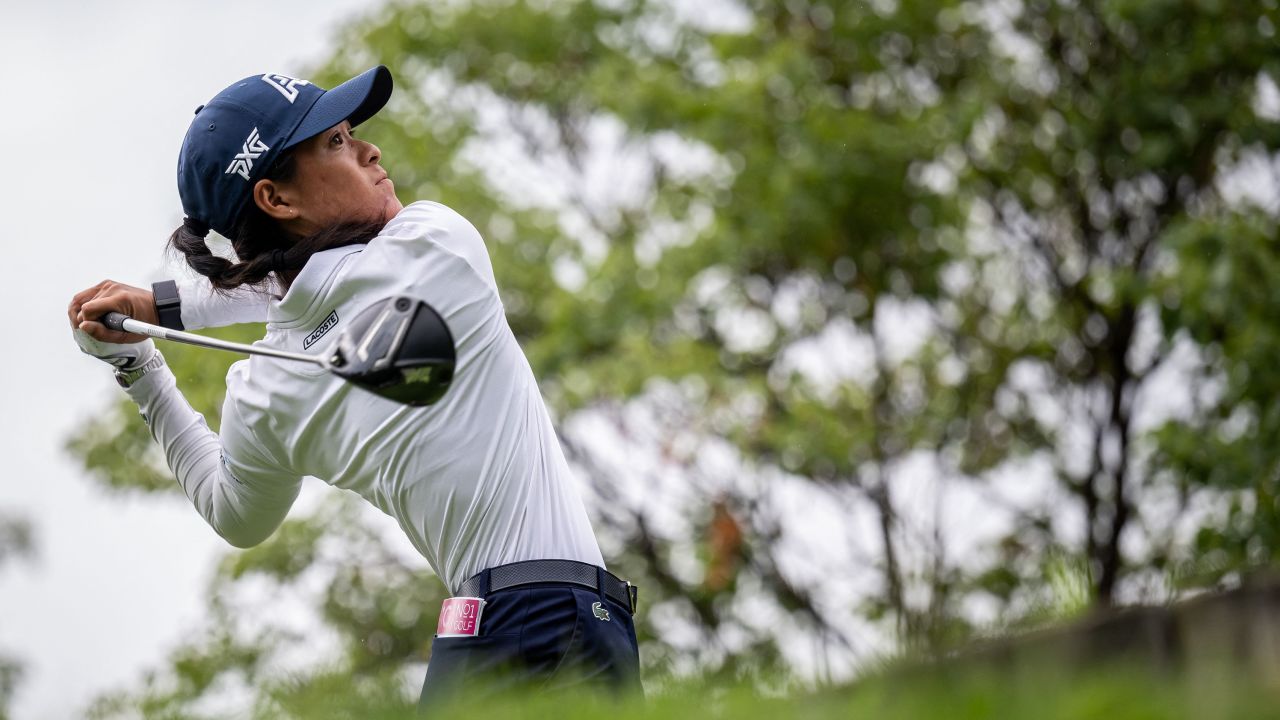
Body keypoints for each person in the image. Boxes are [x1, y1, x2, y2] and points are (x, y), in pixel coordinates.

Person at [67, 66, 640, 709]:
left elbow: (235, 513)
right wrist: (160, 308)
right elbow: (315, 279)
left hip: (475, 641)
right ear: (277, 200)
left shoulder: (262, 391)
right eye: (335, 143)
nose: (371, 150)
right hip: (553, 620)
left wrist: (142, 367)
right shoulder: (436, 241)